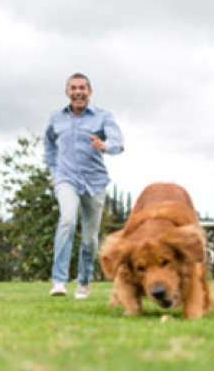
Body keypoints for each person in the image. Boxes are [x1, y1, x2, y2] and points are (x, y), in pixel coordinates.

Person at [44, 72, 124, 299]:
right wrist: (54, 170)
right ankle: (59, 281)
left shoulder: (103, 117)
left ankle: (83, 282)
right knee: (67, 219)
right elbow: (49, 144)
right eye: (73, 88)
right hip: (66, 178)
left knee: (90, 238)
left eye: (82, 88)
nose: (78, 92)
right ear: (67, 92)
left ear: (89, 92)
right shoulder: (56, 118)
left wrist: (104, 146)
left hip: (94, 181)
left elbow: (118, 143)